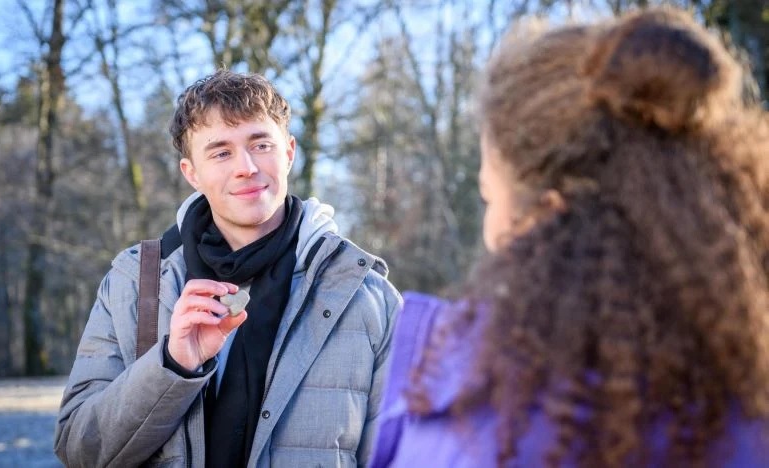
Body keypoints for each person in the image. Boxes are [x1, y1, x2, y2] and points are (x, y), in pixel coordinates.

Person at [370, 7, 769, 468]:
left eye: (489, 197)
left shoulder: (463, 427)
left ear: (543, 216)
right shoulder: (747, 414)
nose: (489, 229)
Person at [54, 70, 401, 467]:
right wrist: (171, 365)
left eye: (261, 144)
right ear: (192, 173)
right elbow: (79, 450)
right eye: (221, 152)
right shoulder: (133, 282)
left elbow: (400, 457)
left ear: (288, 152)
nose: (246, 167)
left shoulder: (366, 296)